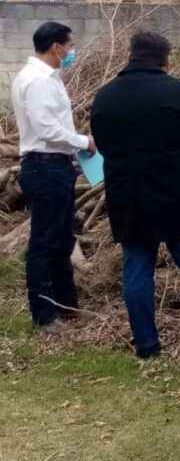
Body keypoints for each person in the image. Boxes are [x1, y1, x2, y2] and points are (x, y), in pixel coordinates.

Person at [91, 31, 180, 359]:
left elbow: (103, 144)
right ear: (165, 58)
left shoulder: (105, 97)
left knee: (137, 269)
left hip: (129, 197)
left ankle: (147, 346)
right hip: (177, 193)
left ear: (131, 54)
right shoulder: (179, 92)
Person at [11, 21, 95, 334]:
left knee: (62, 240)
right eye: (70, 47)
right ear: (56, 46)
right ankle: (45, 315)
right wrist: (83, 141)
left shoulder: (49, 78)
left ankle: (66, 305)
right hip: (45, 167)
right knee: (44, 244)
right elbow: (46, 128)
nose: (71, 52)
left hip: (56, 166)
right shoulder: (36, 80)